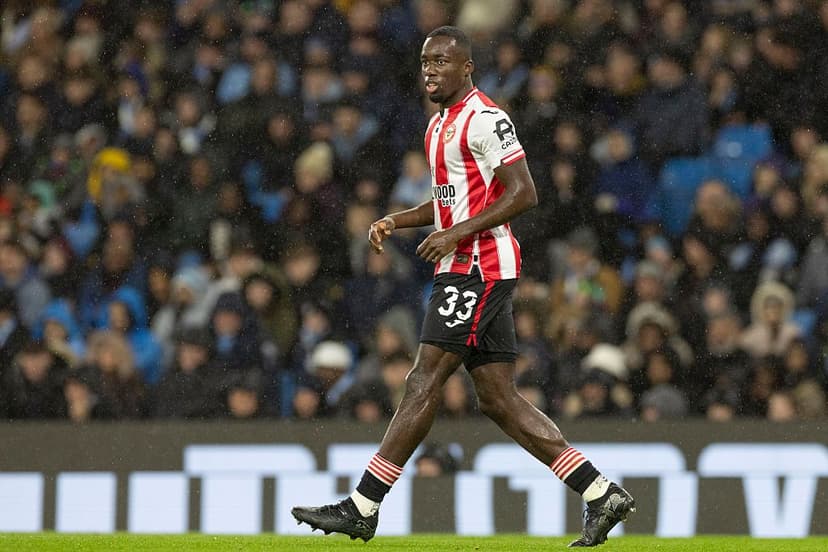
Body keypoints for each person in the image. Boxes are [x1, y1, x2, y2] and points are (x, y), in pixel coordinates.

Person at [291, 26, 635, 548]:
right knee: (498, 398)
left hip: (479, 265)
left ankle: (363, 505)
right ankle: (599, 492)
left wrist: (455, 233)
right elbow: (452, 200)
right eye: (425, 61)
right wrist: (399, 219)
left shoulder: (487, 119)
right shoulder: (437, 127)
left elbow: (524, 193)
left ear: (466, 67)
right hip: (465, 261)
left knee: (423, 378)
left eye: (441, 61)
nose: (430, 69)